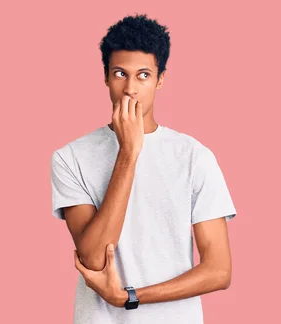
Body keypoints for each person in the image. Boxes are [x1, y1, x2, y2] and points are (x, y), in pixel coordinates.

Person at [50, 14, 237, 324]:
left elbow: (219, 270)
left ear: (160, 79)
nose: (130, 88)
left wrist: (129, 298)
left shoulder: (194, 156)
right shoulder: (71, 157)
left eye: (144, 75)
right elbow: (94, 259)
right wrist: (128, 152)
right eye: (120, 73)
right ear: (106, 77)